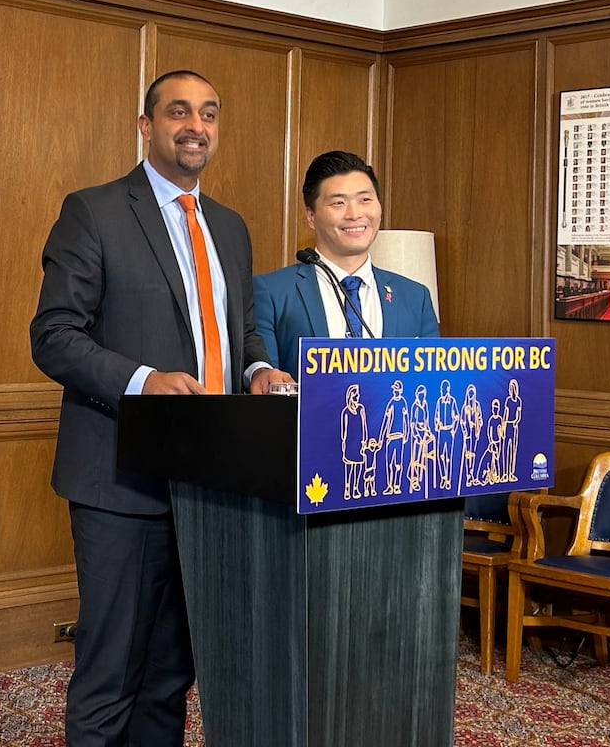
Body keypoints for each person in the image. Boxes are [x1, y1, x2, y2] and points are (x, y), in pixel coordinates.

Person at [30, 70, 290, 747]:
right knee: (111, 670)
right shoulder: (94, 211)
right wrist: (143, 379)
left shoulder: (229, 228)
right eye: (178, 111)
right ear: (146, 127)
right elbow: (53, 336)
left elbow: (240, 333)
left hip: (209, 486)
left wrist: (258, 369)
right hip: (120, 481)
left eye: (208, 113)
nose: (195, 125)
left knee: (174, 673)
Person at [253, 150, 439, 373]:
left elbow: (429, 384)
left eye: (365, 200)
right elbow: (266, 385)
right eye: (338, 203)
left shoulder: (415, 297)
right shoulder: (272, 292)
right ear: (311, 216)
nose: (354, 214)